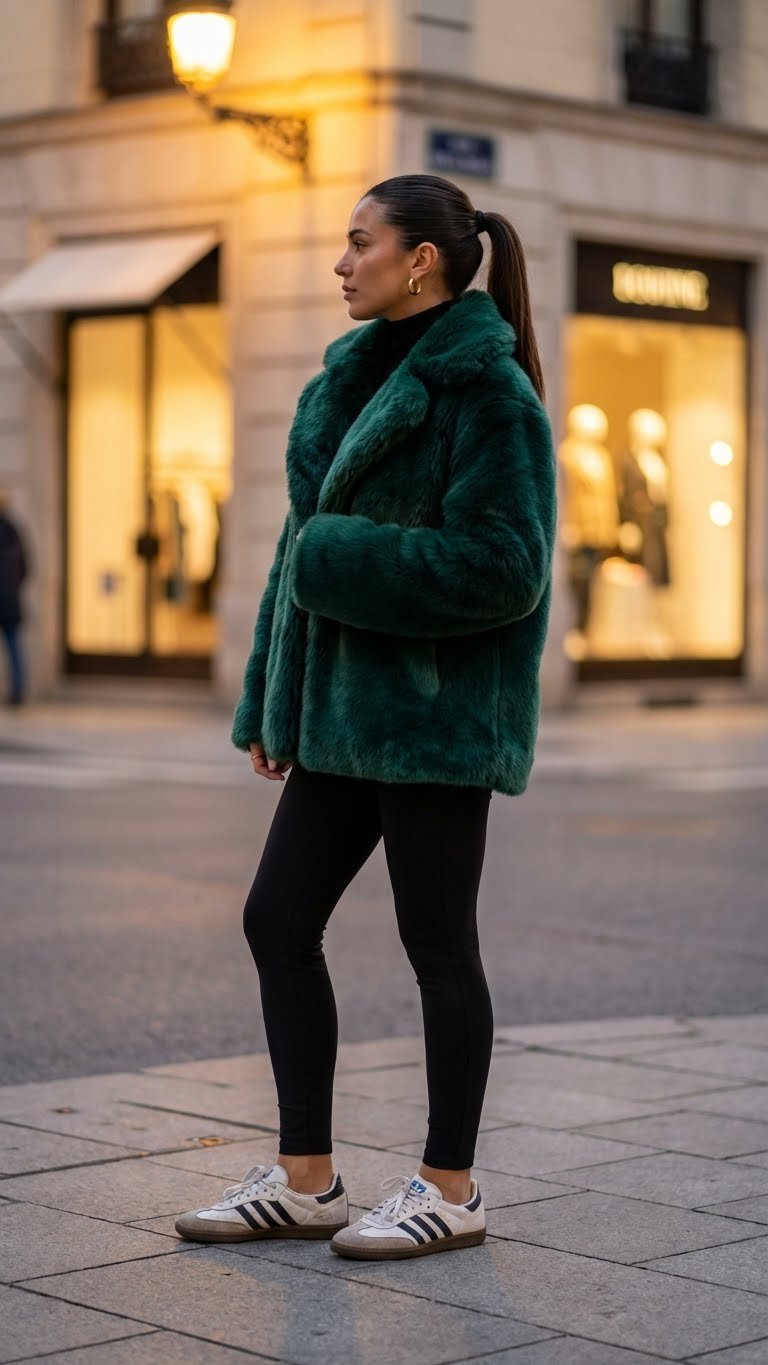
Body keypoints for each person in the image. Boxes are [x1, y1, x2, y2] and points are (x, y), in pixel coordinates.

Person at [176, 175, 556, 1261]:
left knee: (438, 943)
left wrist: (346, 557)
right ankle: (307, 1178)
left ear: (421, 259)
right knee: (276, 921)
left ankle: (451, 1187)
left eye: (360, 244)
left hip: (433, 721)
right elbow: (297, 561)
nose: (342, 264)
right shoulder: (347, 379)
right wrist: (271, 696)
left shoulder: (490, 394)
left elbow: (507, 569)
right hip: (341, 716)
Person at [0, 493, 29, 707]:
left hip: (8, 600)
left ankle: (18, 691)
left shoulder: (12, 531)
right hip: (11, 600)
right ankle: (18, 692)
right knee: (14, 647)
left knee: (13, 646)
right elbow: (26, 568)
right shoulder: (14, 531)